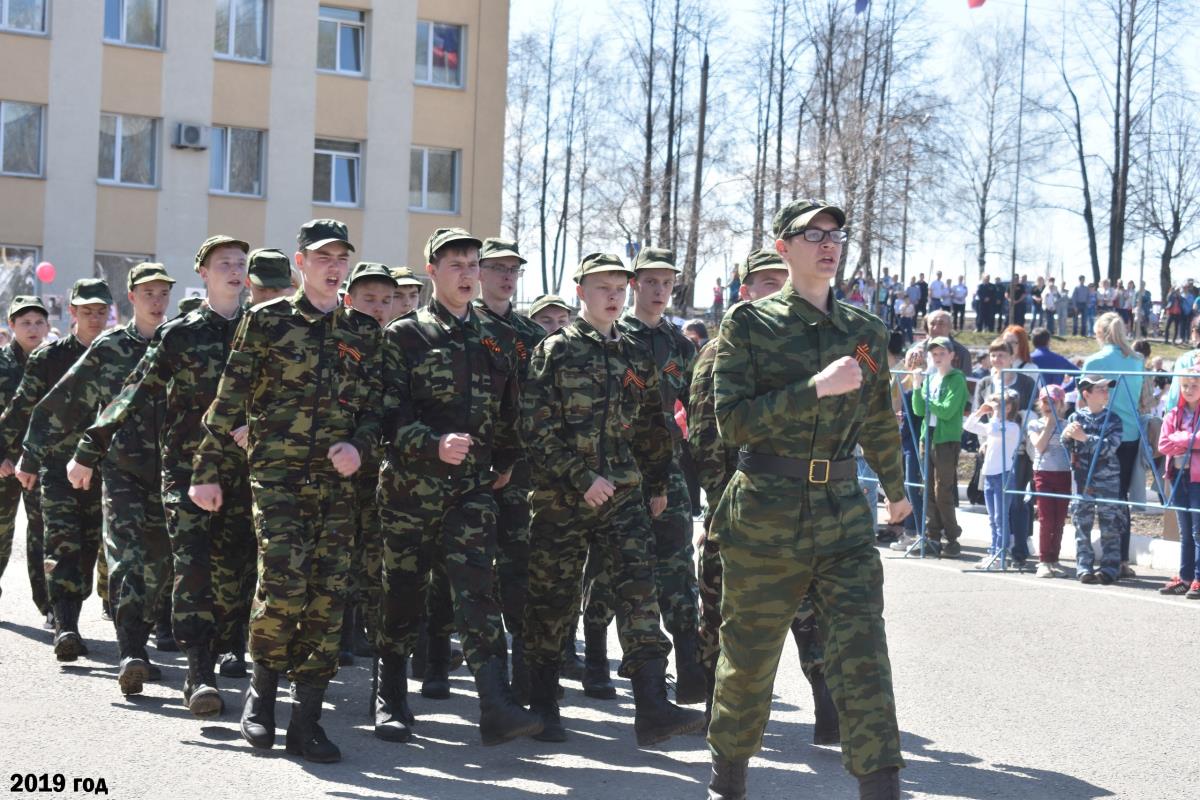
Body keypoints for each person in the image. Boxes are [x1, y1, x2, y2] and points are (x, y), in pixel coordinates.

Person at [706, 200, 910, 800]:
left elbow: (877, 418)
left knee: (862, 647)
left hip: (843, 511)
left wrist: (897, 492)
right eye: (813, 234)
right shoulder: (747, 326)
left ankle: (881, 783)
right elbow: (731, 423)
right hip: (766, 508)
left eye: (836, 235)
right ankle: (729, 775)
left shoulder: (865, 332)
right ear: (783, 245)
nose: (828, 244)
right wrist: (812, 389)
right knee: (749, 653)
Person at [190, 219, 383, 763]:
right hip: (276, 478)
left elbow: (376, 409)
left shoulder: (364, 331)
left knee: (326, 598)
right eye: (323, 256)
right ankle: (262, 695)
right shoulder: (266, 321)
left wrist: (361, 447)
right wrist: (205, 471)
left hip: (337, 486)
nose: (333, 266)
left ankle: (307, 720)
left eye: (341, 257)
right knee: (282, 586)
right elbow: (228, 400)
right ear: (301, 263)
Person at [521, 251, 704, 747]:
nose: (613, 296)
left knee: (639, 590)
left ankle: (651, 706)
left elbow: (650, 425)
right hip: (563, 497)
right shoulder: (554, 350)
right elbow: (536, 428)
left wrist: (660, 482)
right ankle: (542, 702)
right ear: (581, 292)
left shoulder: (634, 355)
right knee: (554, 599)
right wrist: (580, 477)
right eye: (603, 287)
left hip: (624, 492)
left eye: (619, 287)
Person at [372, 228, 541, 747]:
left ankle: (496, 704)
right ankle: (391, 697)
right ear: (432, 272)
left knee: (477, 594)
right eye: (455, 265)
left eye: (473, 264)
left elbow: (512, 408)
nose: (467, 274)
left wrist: (508, 458)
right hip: (410, 491)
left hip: (472, 491)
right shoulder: (404, 335)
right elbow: (384, 417)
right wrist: (431, 443)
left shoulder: (494, 338)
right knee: (403, 593)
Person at [75, 237, 257, 713]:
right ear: (204, 272)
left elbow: (286, 397)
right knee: (192, 569)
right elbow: (134, 390)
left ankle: (222, 652)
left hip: (244, 474)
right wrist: (89, 447)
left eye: (241, 263)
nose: (235, 271)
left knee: (233, 577)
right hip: (187, 471)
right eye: (225, 264)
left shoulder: (264, 330)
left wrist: (256, 423)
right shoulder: (180, 334)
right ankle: (199, 675)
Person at [689, 248, 837, 742]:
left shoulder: (811, 347)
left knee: (811, 607)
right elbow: (708, 442)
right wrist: (729, 505)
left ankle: (828, 708)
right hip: (742, 509)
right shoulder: (721, 350)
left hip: (804, 506)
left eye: (784, 282)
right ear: (746, 290)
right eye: (766, 283)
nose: (777, 291)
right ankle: (718, 709)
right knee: (723, 609)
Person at [29, 264, 173, 691]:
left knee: (160, 565)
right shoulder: (110, 347)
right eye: (148, 291)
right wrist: (31, 454)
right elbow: (65, 400)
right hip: (122, 468)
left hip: (169, 472)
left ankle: (138, 639)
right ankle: (132, 651)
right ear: (132, 297)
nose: (157, 299)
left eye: (163, 292)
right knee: (127, 559)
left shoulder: (178, 342)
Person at [601, 247, 703, 704]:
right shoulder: (613, 338)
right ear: (634, 284)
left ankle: (690, 670)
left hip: (670, 470)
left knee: (678, 571)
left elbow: (696, 412)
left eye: (667, 282)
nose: (660, 290)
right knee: (616, 573)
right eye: (650, 281)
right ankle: (621, 670)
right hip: (622, 470)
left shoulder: (681, 345)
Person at [0, 279, 113, 661]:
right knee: (56, 541)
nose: (95, 318)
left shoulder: (121, 352)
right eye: (87, 311)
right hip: (53, 466)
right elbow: (21, 409)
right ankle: (64, 622)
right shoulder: (48, 358)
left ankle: (71, 606)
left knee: (89, 548)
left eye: (101, 311)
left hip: (104, 469)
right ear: (73, 313)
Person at [472, 236, 549, 704]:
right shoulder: (465, 327)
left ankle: (524, 673)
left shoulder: (531, 335)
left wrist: (518, 461)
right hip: (471, 470)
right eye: (497, 267)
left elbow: (541, 407)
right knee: (472, 574)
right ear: (479, 272)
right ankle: (455, 666)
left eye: (512, 269)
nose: (505, 276)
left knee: (521, 572)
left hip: (519, 473)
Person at [338, 262, 397, 666]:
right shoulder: (340, 341)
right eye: (368, 299)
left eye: (385, 300)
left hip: (384, 468)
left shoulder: (400, 342)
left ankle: (368, 634)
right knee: (342, 549)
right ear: (348, 300)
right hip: (344, 464)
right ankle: (340, 634)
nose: (378, 307)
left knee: (375, 552)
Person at [1082, 313, 1144, 578]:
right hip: (1131, 434)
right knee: (1121, 498)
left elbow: (1083, 397)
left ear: (1100, 333)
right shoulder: (1137, 360)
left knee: (1099, 497)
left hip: (1103, 433)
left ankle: (1105, 557)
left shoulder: (1095, 361)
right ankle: (1120, 558)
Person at [0, 296, 51, 624]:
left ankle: (49, 606)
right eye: (24, 323)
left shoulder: (55, 363)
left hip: (40, 464)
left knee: (42, 534)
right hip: (3, 464)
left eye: (38, 322)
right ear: (11, 326)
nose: (32, 329)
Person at [1062, 375, 1124, 584]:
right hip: (1082, 481)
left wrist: (1085, 439)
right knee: (1082, 524)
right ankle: (1084, 566)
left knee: (1110, 526)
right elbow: (1068, 448)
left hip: (1108, 480)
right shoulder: (1075, 418)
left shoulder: (1113, 419)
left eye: (1107, 388)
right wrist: (1067, 437)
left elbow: (1110, 448)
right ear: (1086, 393)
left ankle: (1109, 568)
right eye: (1100, 389)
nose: (1106, 392)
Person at [910, 336, 968, 556]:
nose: (938, 358)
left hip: (946, 440)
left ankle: (952, 537)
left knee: (942, 490)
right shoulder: (930, 378)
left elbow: (946, 410)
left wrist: (924, 397)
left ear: (952, 355)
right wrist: (917, 387)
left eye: (942, 353)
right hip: (929, 437)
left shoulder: (957, 379)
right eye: (934, 354)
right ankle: (932, 536)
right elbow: (917, 410)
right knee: (928, 490)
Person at [964, 390, 1022, 565]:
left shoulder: (1011, 427)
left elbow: (994, 430)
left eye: (999, 404)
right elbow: (968, 426)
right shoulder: (995, 425)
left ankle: (1001, 554)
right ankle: (994, 552)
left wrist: (995, 412)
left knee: (1000, 517)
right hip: (989, 474)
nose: (994, 408)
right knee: (992, 517)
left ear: (1009, 407)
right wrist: (980, 412)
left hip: (1003, 474)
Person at [1157, 366, 1200, 599]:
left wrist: (1181, 439)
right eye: (1186, 386)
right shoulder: (1174, 413)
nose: (1190, 390)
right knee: (1185, 531)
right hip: (1177, 475)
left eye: (1195, 385)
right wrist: (1190, 440)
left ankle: (1199, 578)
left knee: (1198, 530)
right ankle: (1185, 578)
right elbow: (1163, 444)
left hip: (1197, 478)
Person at [1027, 385, 1071, 578]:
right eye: (1044, 401)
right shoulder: (1035, 424)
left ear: (1061, 404)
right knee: (1046, 519)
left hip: (1063, 473)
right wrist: (1050, 425)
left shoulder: (1068, 424)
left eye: (1052, 402)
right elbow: (1040, 446)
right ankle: (1044, 560)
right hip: (1043, 473)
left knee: (1060, 519)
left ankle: (1055, 558)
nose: (1047, 406)